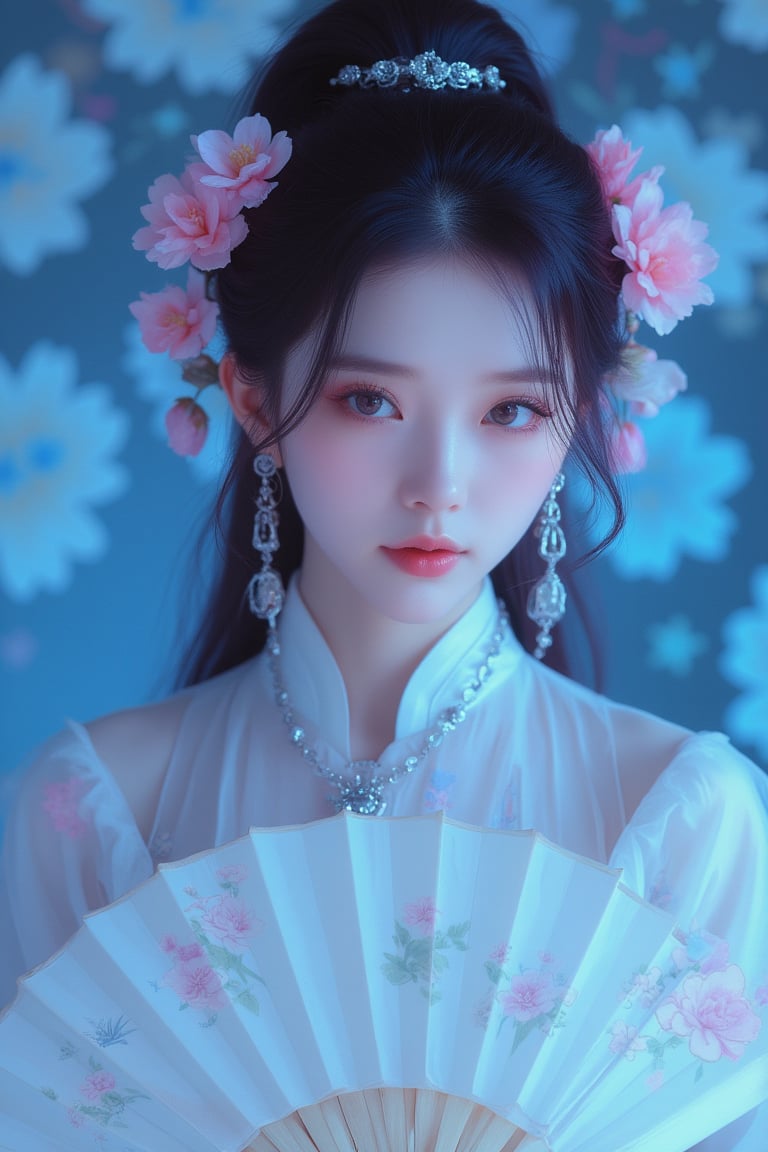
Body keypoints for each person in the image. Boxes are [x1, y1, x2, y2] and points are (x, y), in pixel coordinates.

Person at [1, 0, 766, 1147]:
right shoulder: (97, 812)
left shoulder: (676, 819)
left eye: (513, 409)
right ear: (254, 398)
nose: (440, 484)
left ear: (578, 420)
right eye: (371, 400)